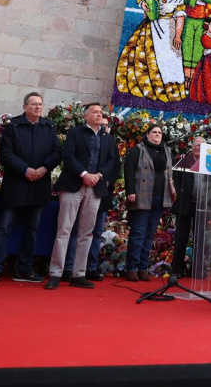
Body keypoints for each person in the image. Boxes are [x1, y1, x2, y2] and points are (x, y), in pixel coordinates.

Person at [0, 92, 60, 285]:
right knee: (3, 228)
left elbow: (57, 152)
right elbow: (5, 153)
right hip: (16, 185)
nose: (38, 107)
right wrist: (25, 170)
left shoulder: (49, 127)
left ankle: (25, 269)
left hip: (39, 184)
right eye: (33, 104)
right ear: (24, 107)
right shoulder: (13, 126)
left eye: (40, 104)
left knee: (32, 229)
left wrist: (43, 168)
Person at [46, 103, 119, 290]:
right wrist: (84, 174)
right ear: (86, 116)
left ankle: (79, 273)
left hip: (95, 188)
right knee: (64, 229)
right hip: (73, 185)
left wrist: (99, 175)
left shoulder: (108, 138)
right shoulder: (75, 133)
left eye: (100, 113)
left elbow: (112, 160)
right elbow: (68, 157)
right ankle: (56, 272)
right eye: (94, 112)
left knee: (87, 232)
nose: (98, 115)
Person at [116, 0, 187, 103]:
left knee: (172, 59)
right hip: (152, 27)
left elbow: (180, 17)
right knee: (145, 55)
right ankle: (149, 87)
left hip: (169, 30)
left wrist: (178, 35)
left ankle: (170, 89)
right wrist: (144, 5)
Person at [124, 125, 176, 281]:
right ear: (147, 134)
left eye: (160, 133)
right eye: (154, 132)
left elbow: (169, 173)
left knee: (149, 234)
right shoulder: (138, 150)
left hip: (160, 197)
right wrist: (130, 191)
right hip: (142, 196)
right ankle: (131, 268)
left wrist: (172, 190)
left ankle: (143, 267)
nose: (157, 135)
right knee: (138, 232)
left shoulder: (166, 151)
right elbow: (128, 171)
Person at [171, 136, 207, 278]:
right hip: (184, 205)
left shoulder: (209, 162)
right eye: (195, 145)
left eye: (200, 145)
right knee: (181, 238)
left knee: (200, 239)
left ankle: (197, 270)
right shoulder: (184, 161)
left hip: (202, 206)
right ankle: (177, 270)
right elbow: (176, 181)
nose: (197, 147)